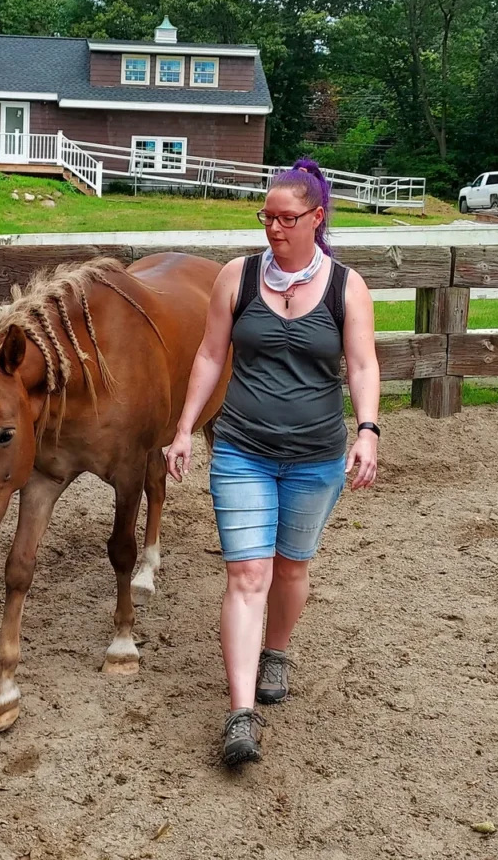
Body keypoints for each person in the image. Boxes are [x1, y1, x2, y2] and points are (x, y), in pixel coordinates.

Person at [165, 157, 380, 767]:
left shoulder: (346, 287)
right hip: (242, 449)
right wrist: (184, 427)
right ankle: (240, 715)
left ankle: (276, 651)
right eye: (267, 216)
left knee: (290, 569)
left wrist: (368, 430)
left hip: (316, 456)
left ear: (317, 218)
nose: (274, 229)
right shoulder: (237, 277)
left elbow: (362, 366)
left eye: (287, 218)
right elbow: (209, 355)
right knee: (247, 574)